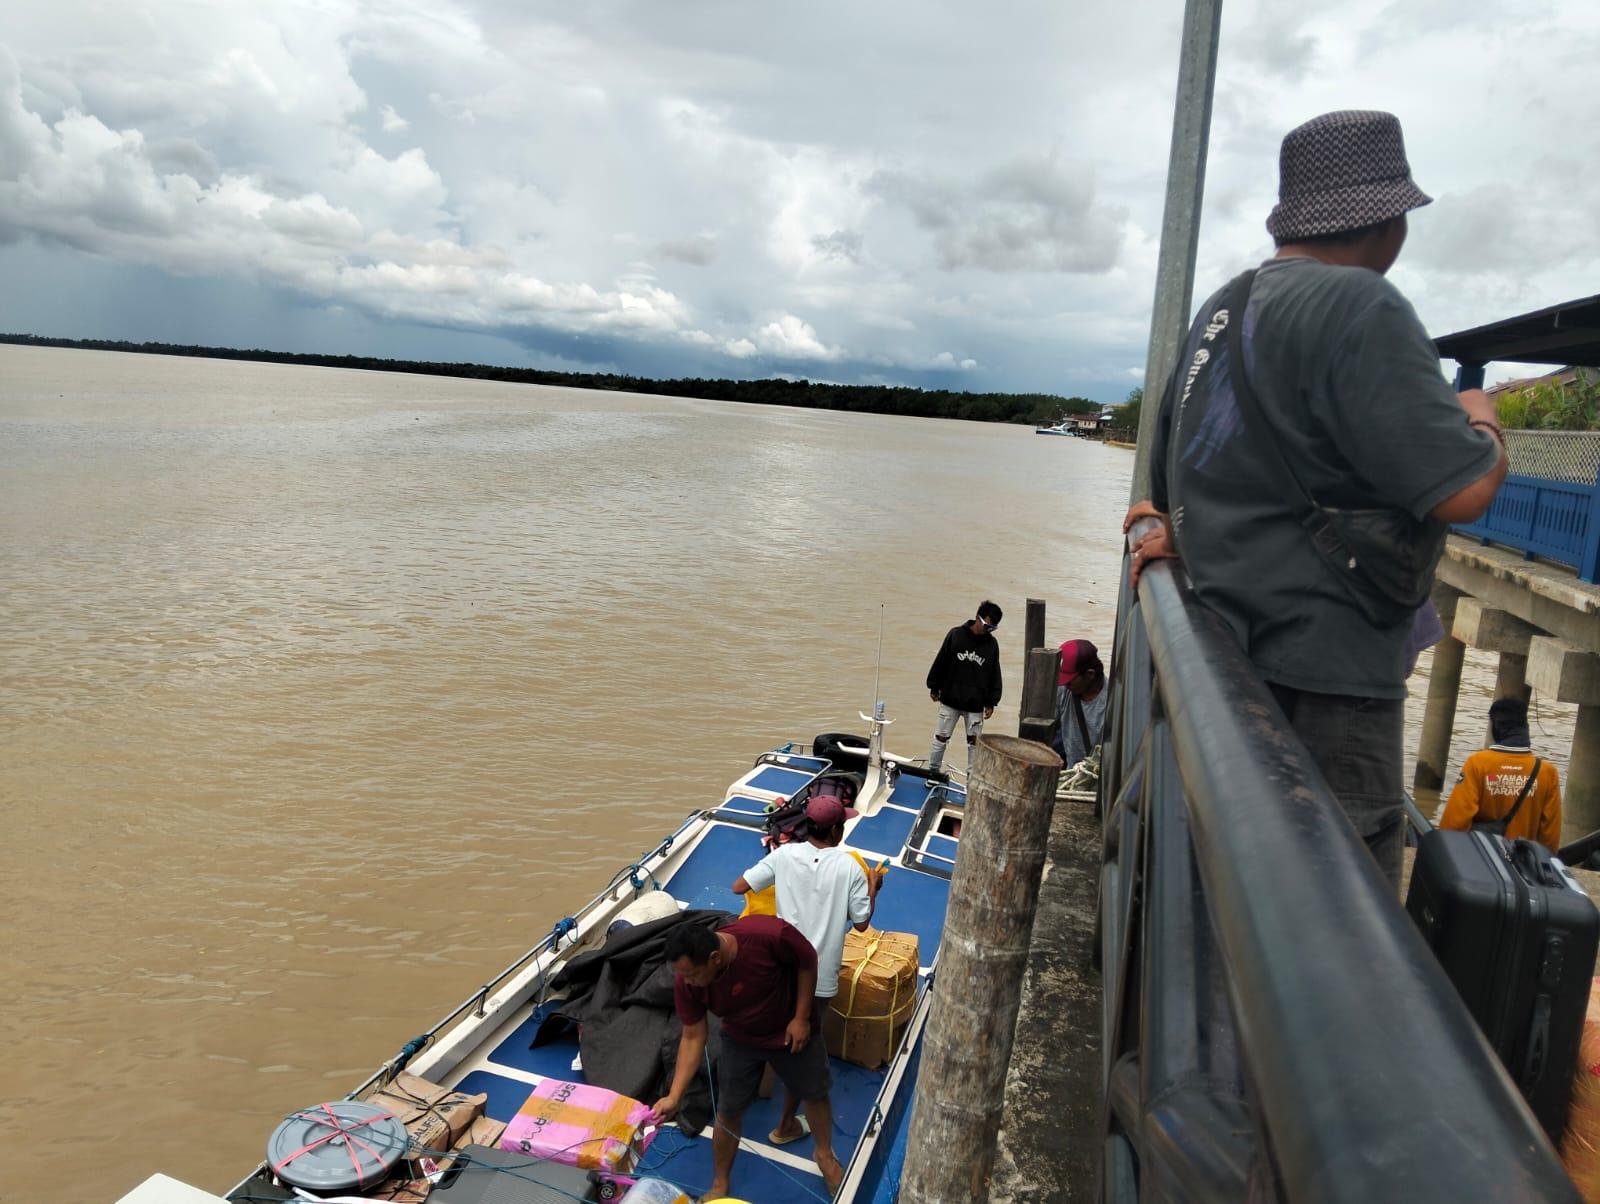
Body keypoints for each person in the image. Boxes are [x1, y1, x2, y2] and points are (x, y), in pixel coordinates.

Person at [1125, 110, 1506, 887]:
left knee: (1210, 886)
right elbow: (1464, 491)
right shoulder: (1363, 306)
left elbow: (1170, 482)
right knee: (1335, 903)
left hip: (1218, 651)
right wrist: (1486, 425)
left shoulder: (1220, 311)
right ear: (1389, 219)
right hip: (1328, 677)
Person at [651, 916, 844, 1197]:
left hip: (790, 1029)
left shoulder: (769, 935)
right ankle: (720, 1182)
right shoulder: (687, 984)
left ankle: (824, 1155)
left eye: (692, 974)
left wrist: (802, 1017)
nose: (687, 982)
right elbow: (692, 1036)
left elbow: (807, 961)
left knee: (814, 1093)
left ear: (715, 958)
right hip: (740, 1039)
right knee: (728, 1111)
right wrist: (675, 1096)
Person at [731, 795, 882, 1146]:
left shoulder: (784, 854)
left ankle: (763, 1089)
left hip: (777, 970)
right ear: (834, 830)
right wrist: (872, 890)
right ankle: (785, 1125)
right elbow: (861, 924)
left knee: (774, 1028)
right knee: (802, 1051)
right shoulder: (849, 868)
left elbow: (739, 886)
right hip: (818, 978)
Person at [1440, 697, 1562, 848]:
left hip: (1484, 857)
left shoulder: (1478, 763)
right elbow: (1550, 835)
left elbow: (1455, 822)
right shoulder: (1547, 772)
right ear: (1525, 726)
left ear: (1496, 727)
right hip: (1521, 862)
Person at [926, 600, 1004, 772]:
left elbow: (994, 673)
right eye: (987, 626)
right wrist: (933, 686)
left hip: (975, 705)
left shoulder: (992, 645)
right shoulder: (955, 635)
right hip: (950, 700)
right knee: (940, 739)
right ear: (978, 618)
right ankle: (933, 773)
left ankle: (972, 783)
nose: (988, 630)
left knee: (975, 745)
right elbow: (941, 661)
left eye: (992, 628)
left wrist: (992, 702)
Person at [1055, 638, 1107, 771]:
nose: (1065, 685)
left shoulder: (1114, 701)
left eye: (1069, 681)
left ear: (1090, 675)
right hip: (1074, 774)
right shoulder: (1062, 691)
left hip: (1102, 777)